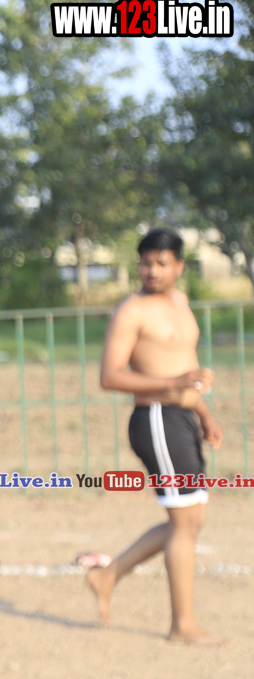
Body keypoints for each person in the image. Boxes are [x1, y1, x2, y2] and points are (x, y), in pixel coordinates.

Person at [88, 228, 224, 646]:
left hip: (183, 418)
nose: (152, 271)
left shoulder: (181, 303)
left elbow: (186, 366)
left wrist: (204, 414)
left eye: (161, 263)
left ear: (179, 266)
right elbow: (110, 377)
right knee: (184, 521)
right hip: (156, 420)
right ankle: (183, 625)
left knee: (191, 519)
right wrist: (175, 383)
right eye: (146, 262)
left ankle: (107, 576)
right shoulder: (131, 311)